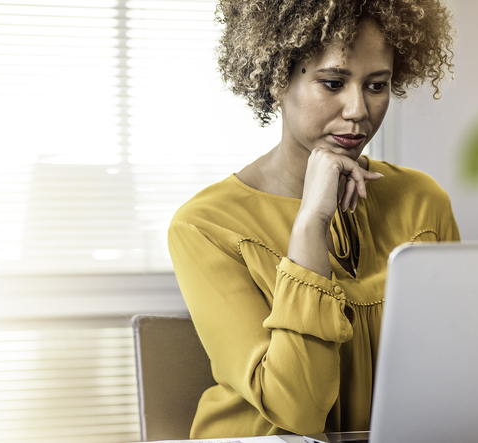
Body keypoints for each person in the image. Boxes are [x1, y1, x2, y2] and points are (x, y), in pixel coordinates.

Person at [168, 0, 459, 438]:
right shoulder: (205, 226)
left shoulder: (423, 202)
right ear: (276, 79)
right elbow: (296, 411)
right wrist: (311, 223)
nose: (358, 109)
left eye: (376, 86)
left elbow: (459, 372)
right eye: (333, 83)